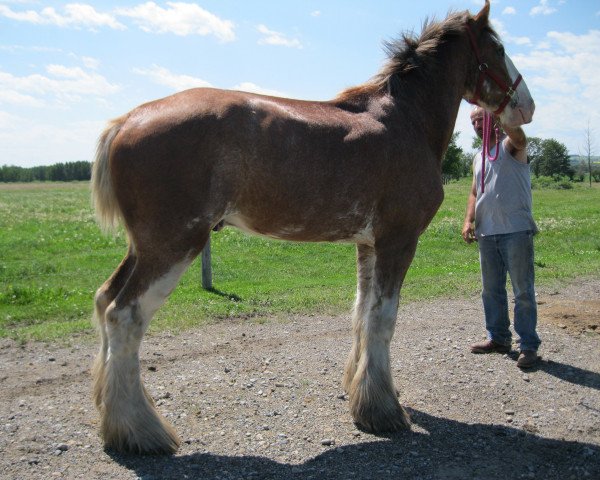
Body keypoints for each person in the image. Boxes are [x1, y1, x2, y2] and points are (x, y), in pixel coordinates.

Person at [462, 106, 541, 369]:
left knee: (523, 291)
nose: (477, 126)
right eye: (474, 122)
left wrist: (499, 109)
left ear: (495, 120)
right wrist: (468, 220)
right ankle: (498, 338)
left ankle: (528, 346)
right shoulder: (478, 157)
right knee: (491, 290)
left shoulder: (510, 146)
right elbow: (475, 192)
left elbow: (520, 138)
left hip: (516, 230)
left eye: (481, 120)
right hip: (487, 232)